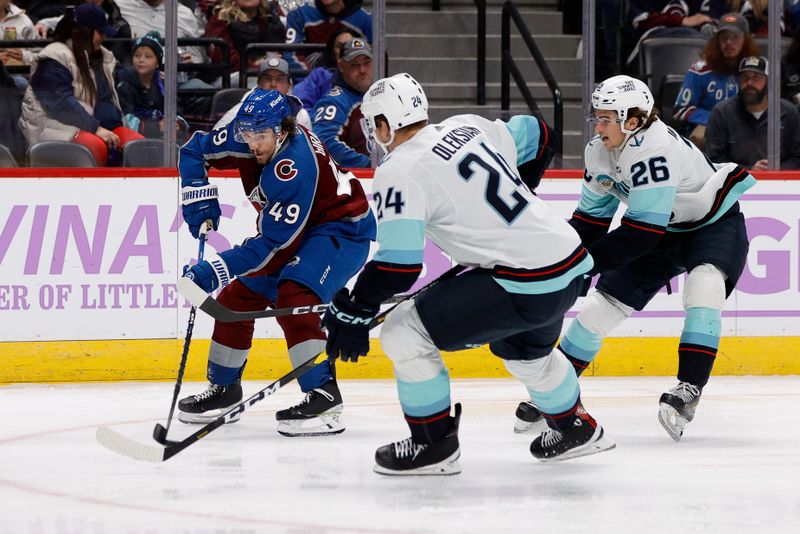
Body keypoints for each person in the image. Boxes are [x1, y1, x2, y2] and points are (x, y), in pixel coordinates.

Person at [321, 73, 612, 476]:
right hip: (569, 262)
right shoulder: (465, 126)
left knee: (402, 332)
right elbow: (541, 133)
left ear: (385, 124)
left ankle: (432, 444)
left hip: (526, 280)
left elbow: (398, 266)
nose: (373, 136)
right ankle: (574, 426)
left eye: (373, 126)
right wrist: (510, 211)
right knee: (525, 353)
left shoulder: (399, 169)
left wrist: (358, 308)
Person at [516, 75, 756, 443]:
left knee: (704, 287)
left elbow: (641, 232)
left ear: (632, 120)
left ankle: (688, 388)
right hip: (661, 229)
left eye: (606, 118)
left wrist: (578, 264)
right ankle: (554, 392)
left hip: (713, 224)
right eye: (597, 116)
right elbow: (589, 221)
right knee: (599, 309)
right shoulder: (600, 150)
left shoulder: (654, 148)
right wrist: (562, 254)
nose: (598, 126)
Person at [176, 89, 376, 437]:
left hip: (340, 231)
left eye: (261, 136)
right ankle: (225, 390)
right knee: (237, 299)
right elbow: (193, 150)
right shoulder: (247, 135)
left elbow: (272, 244)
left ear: (282, 131)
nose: (252, 144)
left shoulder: (293, 166)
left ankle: (324, 398)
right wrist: (197, 194)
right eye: (247, 135)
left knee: (295, 298)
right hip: (295, 231)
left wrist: (215, 269)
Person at [19, 3, 144, 166]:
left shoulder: (104, 56)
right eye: (100, 32)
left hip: (102, 127)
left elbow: (119, 86)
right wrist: (96, 129)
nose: (104, 37)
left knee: (140, 147)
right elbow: (60, 104)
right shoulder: (54, 56)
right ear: (84, 32)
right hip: (58, 127)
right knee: (95, 147)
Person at [672, 12, 760, 149]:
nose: (728, 42)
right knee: (699, 138)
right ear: (716, 40)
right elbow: (680, 110)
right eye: (723, 37)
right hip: (708, 124)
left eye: (734, 37)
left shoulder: (755, 72)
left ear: (746, 39)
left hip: (745, 124)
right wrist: (717, 120)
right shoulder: (700, 70)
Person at [705, 56, 800, 170]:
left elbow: (797, 158)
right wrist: (748, 170)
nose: (749, 83)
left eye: (756, 77)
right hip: (737, 183)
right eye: (744, 77)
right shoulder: (722, 112)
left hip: (781, 182)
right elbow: (714, 160)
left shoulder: (789, 112)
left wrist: (776, 170)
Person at [116, 31, 191, 142]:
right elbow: (126, 121)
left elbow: (178, 113)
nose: (141, 60)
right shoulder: (124, 84)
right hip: (138, 138)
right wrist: (156, 127)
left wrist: (177, 124)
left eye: (148, 56)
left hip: (164, 134)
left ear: (157, 63)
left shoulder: (165, 83)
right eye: (137, 56)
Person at [312, 36, 371, 168]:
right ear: (341, 66)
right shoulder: (333, 101)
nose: (362, 70)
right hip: (349, 181)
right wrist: (369, 165)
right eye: (355, 64)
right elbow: (323, 141)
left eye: (366, 63)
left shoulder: (378, 95)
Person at [214, 56, 312, 129]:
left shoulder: (300, 115)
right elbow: (215, 137)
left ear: (289, 86)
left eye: (279, 79)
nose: (273, 84)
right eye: (268, 79)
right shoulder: (240, 110)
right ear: (259, 84)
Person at [624, 0, 726, 67]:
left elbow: (712, 17)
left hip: (692, 47)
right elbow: (640, 21)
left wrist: (706, 22)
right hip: (648, 45)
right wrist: (682, 21)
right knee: (691, 36)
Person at [204, 0, 285, 84]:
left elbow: (280, 52)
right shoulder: (220, 19)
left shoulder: (271, 19)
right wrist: (258, 66)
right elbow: (223, 59)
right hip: (229, 76)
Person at [284, 0, 371, 74]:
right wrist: (312, 81)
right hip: (310, 85)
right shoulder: (299, 14)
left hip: (351, 83)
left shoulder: (366, 20)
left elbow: (373, 60)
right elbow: (291, 55)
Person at [292, 26, 360, 112]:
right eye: (340, 47)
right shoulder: (320, 75)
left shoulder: (365, 74)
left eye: (348, 46)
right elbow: (299, 103)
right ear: (332, 51)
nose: (344, 51)